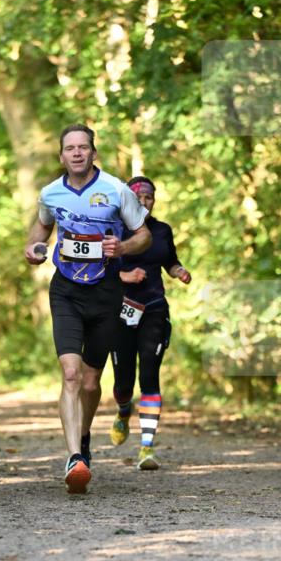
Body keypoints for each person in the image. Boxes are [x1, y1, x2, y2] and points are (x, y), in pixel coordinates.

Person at [24, 124, 151, 494]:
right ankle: (74, 458)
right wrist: (33, 250)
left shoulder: (115, 190)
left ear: (93, 152)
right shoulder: (50, 193)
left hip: (107, 291)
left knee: (93, 381)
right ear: (61, 156)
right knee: (70, 373)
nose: (77, 153)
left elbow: (143, 234)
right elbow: (39, 233)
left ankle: (84, 436)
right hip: (65, 290)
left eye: (83, 147)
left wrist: (123, 249)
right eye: (70, 148)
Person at [109, 176, 191, 470]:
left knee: (150, 374)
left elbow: (170, 260)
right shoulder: (114, 229)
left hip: (154, 308)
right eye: (138, 198)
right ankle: (122, 410)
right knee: (123, 382)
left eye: (149, 198)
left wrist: (178, 271)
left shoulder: (162, 231)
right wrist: (125, 277)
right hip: (120, 311)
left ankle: (147, 447)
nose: (144, 202)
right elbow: (97, 270)